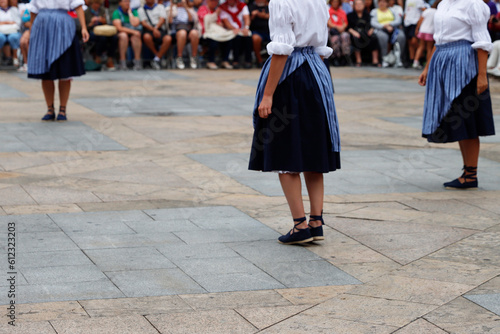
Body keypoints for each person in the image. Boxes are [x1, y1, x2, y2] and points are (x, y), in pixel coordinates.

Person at [249, 0, 341, 245]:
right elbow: (321, 46)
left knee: (285, 150)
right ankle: (316, 221)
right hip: (317, 73)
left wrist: (268, 94)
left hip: (290, 77)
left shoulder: (281, 2)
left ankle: (299, 225)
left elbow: (282, 50)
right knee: (313, 150)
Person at [418, 0, 495, 189]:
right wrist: (428, 67)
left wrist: (482, 75)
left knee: (468, 120)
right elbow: (439, 39)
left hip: (464, 65)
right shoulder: (444, 4)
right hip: (443, 61)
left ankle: (471, 174)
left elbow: (482, 41)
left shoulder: (473, 4)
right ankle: (467, 172)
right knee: (459, 120)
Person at [27, 0, 88, 122]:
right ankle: (50, 108)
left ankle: (63, 109)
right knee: (45, 71)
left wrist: (84, 28)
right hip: (42, 27)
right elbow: (33, 10)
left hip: (63, 26)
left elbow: (78, 6)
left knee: (64, 70)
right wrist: (33, 30)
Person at [198, 0, 235, 69]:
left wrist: (220, 23)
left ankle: (225, 60)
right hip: (206, 32)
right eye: (212, 1)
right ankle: (210, 61)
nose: (214, 3)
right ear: (207, 1)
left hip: (217, 32)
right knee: (213, 41)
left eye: (215, 1)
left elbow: (219, 23)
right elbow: (205, 21)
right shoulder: (203, 8)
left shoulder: (217, 10)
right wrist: (216, 14)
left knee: (228, 39)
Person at [370, 0, 405, 67]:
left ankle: (399, 58)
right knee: (383, 37)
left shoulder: (392, 10)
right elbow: (373, 22)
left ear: (387, 3)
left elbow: (398, 20)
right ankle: (384, 58)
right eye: (380, 2)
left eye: (384, 2)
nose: (382, 4)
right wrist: (384, 26)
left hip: (393, 29)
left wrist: (390, 24)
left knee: (401, 36)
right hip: (380, 29)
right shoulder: (374, 11)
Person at [138, 0, 171, 70]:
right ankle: (157, 56)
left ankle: (156, 59)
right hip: (148, 30)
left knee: (168, 38)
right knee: (146, 37)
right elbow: (143, 23)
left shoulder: (160, 7)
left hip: (159, 29)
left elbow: (162, 19)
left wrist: (156, 28)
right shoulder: (141, 9)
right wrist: (153, 30)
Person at [85, 0, 116, 70]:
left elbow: (108, 23)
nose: (97, 5)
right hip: (91, 31)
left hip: (103, 30)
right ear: (91, 4)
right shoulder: (86, 12)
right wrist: (91, 23)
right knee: (102, 38)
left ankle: (110, 58)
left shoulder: (103, 10)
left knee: (114, 37)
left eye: (98, 4)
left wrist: (104, 21)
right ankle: (98, 57)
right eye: (95, 3)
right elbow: (83, 27)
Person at [167, 0, 199, 69]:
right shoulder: (171, 9)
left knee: (195, 33)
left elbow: (191, 20)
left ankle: (193, 57)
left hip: (188, 29)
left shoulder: (190, 9)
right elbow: (170, 22)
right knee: (182, 33)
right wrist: (171, 6)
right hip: (176, 30)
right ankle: (179, 57)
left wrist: (186, 7)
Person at [220, 0, 252, 69]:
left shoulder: (243, 6)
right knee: (236, 37)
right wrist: (234, 29)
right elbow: (225, 21)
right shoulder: (223, 7)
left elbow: (246, 17)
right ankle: (235, 61)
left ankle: (248, 61)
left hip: (242, 29)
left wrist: (246, 27)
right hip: (230, 30)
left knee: (248, 36)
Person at [348, 0, 380, 67]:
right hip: (356, 33)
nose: (359, 5)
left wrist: (371, 30)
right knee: (355, 38)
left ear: (364, 5)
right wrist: (354, 32)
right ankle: (358, 60)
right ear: (354, 6)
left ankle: (375, 60)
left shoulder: (368, 15)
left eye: (360, 4)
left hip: (366, 33)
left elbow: (372, 25)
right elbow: (348, 27)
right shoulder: (350, 15)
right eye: (357, 4)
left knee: (374, 38)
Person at [112, 0, 142, 71]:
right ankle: (122, 62)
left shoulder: (133, 11)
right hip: (123, 33)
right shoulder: (116, 12)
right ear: (120, 3)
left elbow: (136, 24)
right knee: (123, 36)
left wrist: (130, 14)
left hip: (133, 33)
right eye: (125, 1)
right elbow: (119, 28)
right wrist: (133, 32)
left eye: (128, 1)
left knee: (136, 37)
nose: (127, 3)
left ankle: (137, 62)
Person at [413, 0, 440, 69]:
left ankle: (415, 62)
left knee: (421, 46)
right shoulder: (437, 12)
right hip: (430, 32)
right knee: (429, 48)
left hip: (423, 30)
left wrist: (417, 29)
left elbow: (420, 20)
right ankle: (428, 64)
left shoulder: (427, 11)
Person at [403, 0, 427, 69]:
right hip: (407, 23)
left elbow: (424, 10)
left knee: (414, 41)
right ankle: (412, 59)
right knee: (410, 42)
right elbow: (406, 11)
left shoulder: (419, 1)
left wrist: (419, 22)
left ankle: (421, 57)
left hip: (415, 22)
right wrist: (405, 19)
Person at [328, 0, 351, 66]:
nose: (335, 3)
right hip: (333, 31)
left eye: (336, 2)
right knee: (335, 38)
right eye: (333, 2)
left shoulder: (342, 12)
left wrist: (342, 28)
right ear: (331, 3)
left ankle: (345, 57)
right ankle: (335, 57)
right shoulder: (328, 11)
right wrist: (337, 27)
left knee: (345, 36)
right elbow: (329, 23)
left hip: (341, 30)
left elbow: (345, 23)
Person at [248, 0, 269, 68]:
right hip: (257, 31)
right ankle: (259, 60)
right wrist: (252, 16)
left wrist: (264, 16)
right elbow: (246, 21)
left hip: (270, 32)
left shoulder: (271, 6)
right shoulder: (251, 7)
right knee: (255, 38)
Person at [0, 0, 21, 66]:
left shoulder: (14, 10)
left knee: (13, 37)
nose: (2, 1)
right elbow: (12, 22)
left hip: (13, 31)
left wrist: (3, 23)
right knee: (1, 37)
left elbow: (18, 23)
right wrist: (8, 22)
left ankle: (15, 58)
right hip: (1, 32)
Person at [17, 2, 30, 72]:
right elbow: (25, 22)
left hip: (37, 29)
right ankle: (26, 63)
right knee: (22, 42)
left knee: (27, 42)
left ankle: (31, 63)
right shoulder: (27, 7)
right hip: (26, 30)